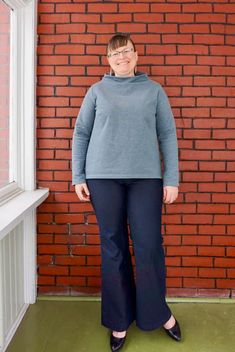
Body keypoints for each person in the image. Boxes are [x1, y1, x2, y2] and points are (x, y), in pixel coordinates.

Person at [72, 33, 181, 352]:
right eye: (116, 53)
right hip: (102, 179)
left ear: (136, 55)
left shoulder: (154, 90)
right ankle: (119, 320)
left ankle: (158, 313)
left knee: (148, 247)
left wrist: (170, 178)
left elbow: (168, 135)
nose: (122, 57)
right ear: (108, 60)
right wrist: (78, 174)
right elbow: (81, 133)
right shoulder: (97, 91)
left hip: (146, 179)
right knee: (113, 248)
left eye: (127, 52)